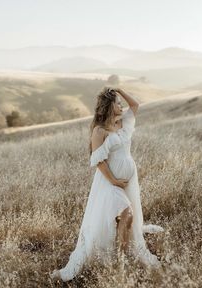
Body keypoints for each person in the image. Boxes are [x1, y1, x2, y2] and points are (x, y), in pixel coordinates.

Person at [50, 87, 164, 282]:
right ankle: (119, 261)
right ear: (109, 106)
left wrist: (119, 90)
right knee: (126, 212)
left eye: (120, 102)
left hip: (128, 180)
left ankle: (120, 253)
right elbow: (98, 162)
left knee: (124, 219)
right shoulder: (99, 130)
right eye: (118, 102)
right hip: (109, 182)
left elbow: (135, 104)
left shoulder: (124, 122)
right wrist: (114, 181)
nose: (121, 105)